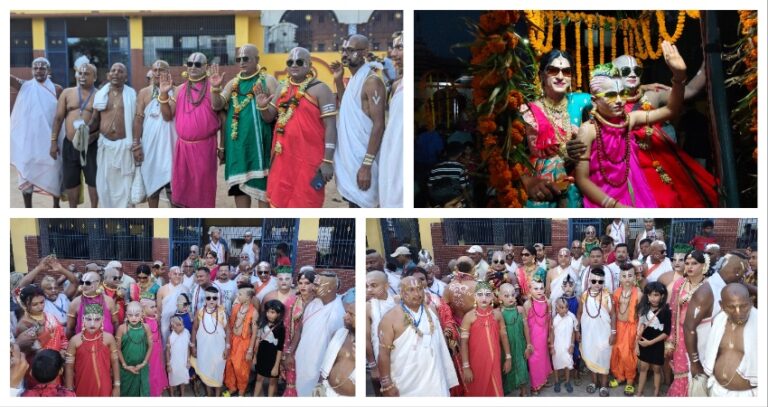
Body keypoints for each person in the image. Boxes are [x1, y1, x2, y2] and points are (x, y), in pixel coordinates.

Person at [574, 41, 687, 208]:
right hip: (602, 201)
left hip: (635, 194)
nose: (620, 100)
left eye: (622, 93)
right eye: (611, 95)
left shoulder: (629, 120)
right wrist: (615, 206)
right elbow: (581, 179)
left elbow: (671, 110)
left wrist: (679, 77)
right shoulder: (588, 130)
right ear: (594, 100)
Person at [613, 54, 717, 208]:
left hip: (657, 163)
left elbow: (690, 90)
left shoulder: (651, 96)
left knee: (671, 201)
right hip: (626, 169)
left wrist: (708, 60)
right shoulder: (606, 102)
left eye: (637, 70)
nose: (633, 74)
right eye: (626, 71)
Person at [260, 47, 337, 208]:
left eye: (299, 62)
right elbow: (268, 117)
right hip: (283, 158)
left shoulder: (321, 89)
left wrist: (327, 161)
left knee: (306, 201)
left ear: (309, 65)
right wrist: (262, 106)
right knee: (279, 200)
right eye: (290, 62)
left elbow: (331, 125)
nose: (294, 65)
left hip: (309, 160)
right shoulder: (282, 88)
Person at [210, 44, 276, 208]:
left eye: (246, 58)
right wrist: (215, 88)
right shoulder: (233, 83)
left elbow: (276, 114)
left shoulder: (268, 80)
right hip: (237, 146)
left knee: (264, 190)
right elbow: (217, 105)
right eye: (238, 59)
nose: (241, 62)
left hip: (260, 146)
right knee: (239, 189)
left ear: (257, 59)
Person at [519, 49, 588, 207]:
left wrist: (641, 90)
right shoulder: (527, 111)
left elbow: (610, 98)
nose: (560, 76)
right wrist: (526, 181)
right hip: (541, 184)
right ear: (541, 75)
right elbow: (511, 156)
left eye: (566, 71)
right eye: (553, 70)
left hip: (574, 181)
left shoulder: (580, 102)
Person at [377, 276, 458, 396]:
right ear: (401, 293)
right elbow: (383, 354)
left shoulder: (431, 310)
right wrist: (387, 384)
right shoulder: (390, 318)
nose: (417, 294)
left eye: (420, 289)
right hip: (407, 382)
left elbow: (440, 343)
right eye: (411, 290)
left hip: (436, 377)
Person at [331, 34, 387, 208]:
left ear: (364, 52)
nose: (345, 54)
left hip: (364, 162)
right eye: (343, 50)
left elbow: (379, 125)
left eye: (350, 50)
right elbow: (348, 107)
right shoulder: (355, 79)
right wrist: (338, 81)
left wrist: (366, 166)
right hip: (351, 161)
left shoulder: (372, 82)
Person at [684, 252, 749, 388]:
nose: (744, 278)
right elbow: (689, 327)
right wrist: (695, 363)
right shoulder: (707, 291)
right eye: (743, 274)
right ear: (737, 272)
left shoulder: (727, 286)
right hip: (704, 359)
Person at [10, 57, 64, 208]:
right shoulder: (25, 86)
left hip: (50, 141)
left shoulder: (58, 89)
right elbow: (9, 79)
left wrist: (56, 141)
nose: (39, 71)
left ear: (49, 70)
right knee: (26, 172)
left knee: (54, 171)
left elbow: (61, 117)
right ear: (32, 70)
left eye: (42, 68)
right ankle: (28, 207)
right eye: (35, 68)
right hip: (28, 142)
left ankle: (56, 206)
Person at [169, 52, 219, 207]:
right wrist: (163, 95)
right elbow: (167, 115)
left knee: (203, 187)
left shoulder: (213, 88)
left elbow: (221, 114)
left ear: (206, 67)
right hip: (182, 146)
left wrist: (223, 146)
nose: (193, 67)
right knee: (182, 188)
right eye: (190, 64)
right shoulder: (179, 89)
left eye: (197, 64)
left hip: (205, 147)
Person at [49, 63, 99, 208]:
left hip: (91, 145)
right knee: (71, 180)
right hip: (70, 144)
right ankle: (73, 211)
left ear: (95, 77)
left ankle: (94, 210)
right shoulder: (67, 93)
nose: (82, 76)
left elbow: (103, 122)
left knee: (93, 180)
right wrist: (53, 142)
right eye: (80, 73)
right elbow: (58, 118)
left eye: (86, 74)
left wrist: (94, 135)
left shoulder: (100, 95)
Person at [90, 63, 138, 208]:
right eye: (113, 70)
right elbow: (95, 119)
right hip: (105, 146)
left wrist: (136, 143)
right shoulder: (100, 95)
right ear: (108, 75)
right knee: (105, 184)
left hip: (125, 146)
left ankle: (127, 215)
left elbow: (136, 121)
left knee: (126, 184)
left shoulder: (132, 95)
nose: (116, 73)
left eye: (120, 71)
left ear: (126, 77)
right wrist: (84, 130)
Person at [132, 60, 175, 207]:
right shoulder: (144, 93)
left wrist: (164, 93)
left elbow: (168, 116)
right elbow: (138, 119)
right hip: (149, 146)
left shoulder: (176, 91)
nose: (157, 73)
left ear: (168, 72)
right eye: (155, 70)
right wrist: (136, 144)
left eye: (161, 70)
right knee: (152, 187)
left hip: (169, 145)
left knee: (172, 187)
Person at [702, 283, 757, 397]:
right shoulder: (718, 321)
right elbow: (714, 353)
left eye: (743, 306)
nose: (739, 312)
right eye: (732, 307)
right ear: (721, 305)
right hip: (717, 390)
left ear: (751, 302)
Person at [294, 272, 344, 396]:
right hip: (302, 361)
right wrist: (290, 352)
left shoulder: (338, 313)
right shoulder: (313, 303)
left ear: (329, 288)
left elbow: (337, 349)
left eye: (316, 285)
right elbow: (300, 328)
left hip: (320, 367)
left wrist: (325, 375)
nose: (312, 288)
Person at [666, 250, 708, 396]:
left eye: (694, 263)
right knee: (680, 371)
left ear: (704, 266)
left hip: (700, 335)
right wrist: (671, 337)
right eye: (688, 263)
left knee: (696, 371)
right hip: (680, 334)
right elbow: (673, 311)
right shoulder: (679, 284)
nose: (690, 266)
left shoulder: (708, 286)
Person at [459, 281, 511, 396]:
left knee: (496, 388)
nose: (484, 298)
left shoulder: (497, 315)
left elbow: (504, 336)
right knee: (478, 390)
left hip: (495, 360)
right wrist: (466, 367)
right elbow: (463, 343)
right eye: (480, 294)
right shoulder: (469, 317)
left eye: (487, 294)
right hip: (476, 362)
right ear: (474, 296)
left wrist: (508, 357)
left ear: (492, 296)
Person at [14, 285, 68, 387]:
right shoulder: (24, 325)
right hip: (40, 368)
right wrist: (55, 359)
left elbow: (62, 336)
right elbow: (35, 350)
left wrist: (63, 350)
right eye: (35, 304)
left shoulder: (50, 316)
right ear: (25, 305)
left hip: (56, 362)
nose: (40, 306)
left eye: (42, 302)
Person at [64, 303, 120, 396]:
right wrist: (69, 390)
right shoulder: (75, 340)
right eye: (89, 319)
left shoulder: (109, 338)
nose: (92, 324)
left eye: (97, 319)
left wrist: (117, 386)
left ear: (102, 319)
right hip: (82, 385)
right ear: (83, 319)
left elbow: (115, 362)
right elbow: (69, 367)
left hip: (105, 386)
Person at [577, 267, 616, 397]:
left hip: (604, 333)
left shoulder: (607, 295)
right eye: (594, 281)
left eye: (600, 282)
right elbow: (580, 313)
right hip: (588, 334)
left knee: (604, 357)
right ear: (589, 281)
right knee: (591, 356)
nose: (597, 284)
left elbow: (613, 315)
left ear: (603, 282)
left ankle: (604, 385)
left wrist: (613, 333)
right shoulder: (584, 295)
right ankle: (594, 382)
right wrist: (577, 330)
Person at [379, 32, 404, 207]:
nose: (393, 54)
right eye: (393, 48)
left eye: (400, 47)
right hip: (392, 155)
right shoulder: (397, 85)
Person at [282, 268, 316, 397]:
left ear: (313, 285)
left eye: (307, 283)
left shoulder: (318, 303)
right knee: (291, 380)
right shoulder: (291, 301)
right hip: (292, 346)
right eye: (300, 283)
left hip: (311, 347)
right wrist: (287, 351)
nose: (303, 286)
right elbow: (285, 327)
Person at [190, 286, 230, 397]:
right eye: (208, 298)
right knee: (205, 371)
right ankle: (208, 394)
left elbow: (227, 330)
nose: (211, 300)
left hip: (219, 348)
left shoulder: (222, 312)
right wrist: (193, 346)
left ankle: (217, 396)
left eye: (214, 298)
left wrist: (227, 347)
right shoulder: (200, 311)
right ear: (205, 299)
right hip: (204, 348)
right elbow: (194, 329)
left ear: (217, 299)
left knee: (218, 371)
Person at [16, 256, 78, 325]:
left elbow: (75, 283)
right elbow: (21, 287)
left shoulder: (63, 296)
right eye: (49, 288)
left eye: (56, 288)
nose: (54, 291)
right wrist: (38, 268)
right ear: (43, 290)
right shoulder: (41, 302)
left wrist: (61, 269)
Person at [635, 282, 671, 397]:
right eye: (650, 295)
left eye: (656, 295)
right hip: (643, 343)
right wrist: (637, 345)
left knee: (656, 369)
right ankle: (639, 393)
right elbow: (640, 328)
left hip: (657, 344)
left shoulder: (666, 311)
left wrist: (650, 342)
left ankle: (656, 394)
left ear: (662, 296)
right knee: (643, 368)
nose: (653, 298)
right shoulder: (643, 309)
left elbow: (666, 332)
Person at [317, 289, 356, 396]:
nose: (345, 317)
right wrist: (319, 385)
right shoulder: (339, 334)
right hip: (328, 391)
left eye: (351, 314)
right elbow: (327, 361)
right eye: (346, 312)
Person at [223, 285, 258, 397]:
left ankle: (241, 391)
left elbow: (254, 333)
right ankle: (232, 387)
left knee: (241, 368)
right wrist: (227, 342)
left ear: (248, 297)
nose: (237, 296)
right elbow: (230, 325)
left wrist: (250, 350)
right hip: (233, 340)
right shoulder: (236, 307)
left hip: (244, 342)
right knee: (229, 364)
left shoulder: (254, 312)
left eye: (240, 294)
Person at [610, 265, 640, 395]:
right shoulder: (616, 292)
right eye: (624, 276)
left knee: (628, 354)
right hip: (618, 326)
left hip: (631, 327)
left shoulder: (639, 293)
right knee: (617, 352)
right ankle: (620, 376)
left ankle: (630, 381)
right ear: (620, 278)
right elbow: (613, 312)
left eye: (630, 275)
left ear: (634, 277)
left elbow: (642, 314)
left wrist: (639, 332)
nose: (627, 279)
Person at [497, 283, 531, 396]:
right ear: (500, 297)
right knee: (507, 366)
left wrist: (528, 344)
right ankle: (507, 388)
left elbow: (526, 327)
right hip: (507, 345)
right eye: (506, 296)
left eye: (512, 295)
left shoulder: (520, 310)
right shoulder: (499, 313)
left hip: (520, 343)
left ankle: (523, 392)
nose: (510, 298)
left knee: (521, 366)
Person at [365, 270, 395, 395]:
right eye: (367, 286)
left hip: (401, 356)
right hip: (380, 360)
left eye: (374, 285)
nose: (369, 290)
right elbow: (366, 339)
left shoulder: (398, 302)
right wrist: (373, 366)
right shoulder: (368, 307)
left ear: (386, 286)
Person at [116, 301, 151, 396]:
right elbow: (117, 349)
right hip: (126, 369)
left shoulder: (146, 328)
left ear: (142, 314)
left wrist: (143, 364)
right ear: (126, 315)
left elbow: (150, 346)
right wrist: (125, 366)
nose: (133, 318)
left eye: (137, 315)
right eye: (130, 315)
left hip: (142, 368)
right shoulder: (122, 329)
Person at [66, 271, 117, 337]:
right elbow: (69, 328)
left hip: (106, 341)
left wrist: (114, 340)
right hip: (83, 341)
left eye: (88, 283)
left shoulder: (108, 300)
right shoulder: (75, 302)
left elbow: (115, 322)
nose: (84, 285)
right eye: (82, 282)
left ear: (98, 283)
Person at [524, 278, 552, 395]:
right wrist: (528, 342)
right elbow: (525, 324)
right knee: (534, 360)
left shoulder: (547, 302)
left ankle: (543, 379)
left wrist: (550, 336)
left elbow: (549, 320)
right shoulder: (527, 304)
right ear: (530, 290)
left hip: (543, 335)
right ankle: (535, 385)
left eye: (541, 288)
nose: (539, 291)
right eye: (536, 288)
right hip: (533, 337)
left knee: (544, 358)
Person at [252, 299, 285, 397]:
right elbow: (258, 341)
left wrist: (276, 366)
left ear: (279, 314)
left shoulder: (280, 328)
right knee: (259, 379)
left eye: (272, 312)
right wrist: (255, 356)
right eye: (267, 312)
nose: (269, 314)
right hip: (261, 355)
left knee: (272, 382)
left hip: (273, 357)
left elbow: (280, 349)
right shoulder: (263, 323)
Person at [156, 266, 189, 345]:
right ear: (169, 275)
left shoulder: (185, 289)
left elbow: (188, 308)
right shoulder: (162, 289)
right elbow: (159, 309)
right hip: (165, 322)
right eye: (175, 274)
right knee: (166, 344)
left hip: (181, 322)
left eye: (179, 274)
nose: (177, 276)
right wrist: (159, 323)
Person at [551, 297, 578, 394]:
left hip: (567, 345)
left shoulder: (570, 318)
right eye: (561, 307)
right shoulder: (554, 320)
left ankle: (567, 381)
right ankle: (556, 381)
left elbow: (572, 333)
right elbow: (551, 334)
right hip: (557, 346)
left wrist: (572, 345)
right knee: (556, 364)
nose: (564, 309)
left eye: (566, 307)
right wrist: (552, 347)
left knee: (567, 363)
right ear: (557, 309)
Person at [165, 316, 190, 396]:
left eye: (182, 324)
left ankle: (182, 395)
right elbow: (167, 352)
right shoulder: (170, 337)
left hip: (183, 362)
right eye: (179, 325)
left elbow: (187, 348)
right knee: (172, 380)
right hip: (174, 363)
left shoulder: (186, 333)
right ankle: (172, 395)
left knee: (182, 379)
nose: (182, 326)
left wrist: (188, 361)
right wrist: (168, 365)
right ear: (173, 327)